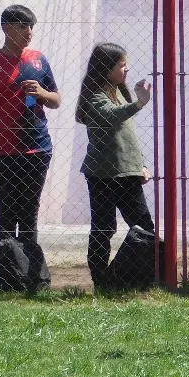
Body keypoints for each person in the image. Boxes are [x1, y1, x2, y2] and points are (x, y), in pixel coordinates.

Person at [0, 5, 60, 257]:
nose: (29, 32)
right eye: (22, 26)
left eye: (31, 26)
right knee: (6, 214)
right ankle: (5, 270)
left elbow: (56, 100)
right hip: (2, 151)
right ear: (6, 28)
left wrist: (40, 93)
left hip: (36, 148)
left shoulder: (38, 59)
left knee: (29, 212)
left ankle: (29, 272)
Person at [76, 43, 154, 290]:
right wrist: (139, 104)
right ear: (106, 70)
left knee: (143, 226)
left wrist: (139, 164)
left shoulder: (117, 91)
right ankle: (101, 280)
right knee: (103, 227)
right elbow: (111, 116)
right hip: (104, 175)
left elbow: (127, 137)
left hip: (126, 172)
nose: (126, 69)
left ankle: (136, 279)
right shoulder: (95, 96)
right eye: (121, 65)